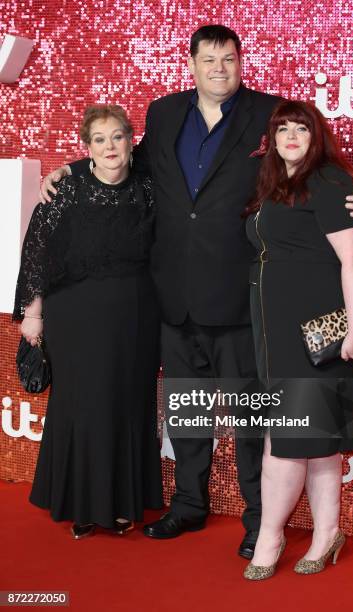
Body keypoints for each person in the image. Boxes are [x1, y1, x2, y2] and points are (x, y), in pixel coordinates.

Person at [39, 25, 353, 558]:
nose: (219, 68)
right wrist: (72, 170)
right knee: (189, 410)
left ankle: (257, 518)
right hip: (172, 295)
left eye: (229, 58)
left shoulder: (267, 114)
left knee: (250, 418)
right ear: (192, 64)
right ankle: (188, 505)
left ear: (241, 63)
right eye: (209, 59)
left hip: (242, 298)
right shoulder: (164, 113)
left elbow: (309, 159)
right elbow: (131, 167)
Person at [14, 104, 163, 539]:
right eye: (100, 139)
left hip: (136, 315)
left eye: (117, 136)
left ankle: (121, 505)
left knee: (127, 405)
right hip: (74, 316)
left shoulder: (149, 190)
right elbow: (37, 253)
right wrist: (33, 313)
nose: (110, 146)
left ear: (131, 141)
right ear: (87, 148)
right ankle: (81, 503)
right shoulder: (67, 190)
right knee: (82, 405)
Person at [243, 100, 353, 580]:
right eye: (283, 128)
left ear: (316, 137)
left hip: (322, 336)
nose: (292, 136)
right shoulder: (273, 184)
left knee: (287, 441)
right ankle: (326, 532)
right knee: (319, 443)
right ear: (272, 138)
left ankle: (270, 539)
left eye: (302, 128)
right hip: (279, 336)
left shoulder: (330, 182)